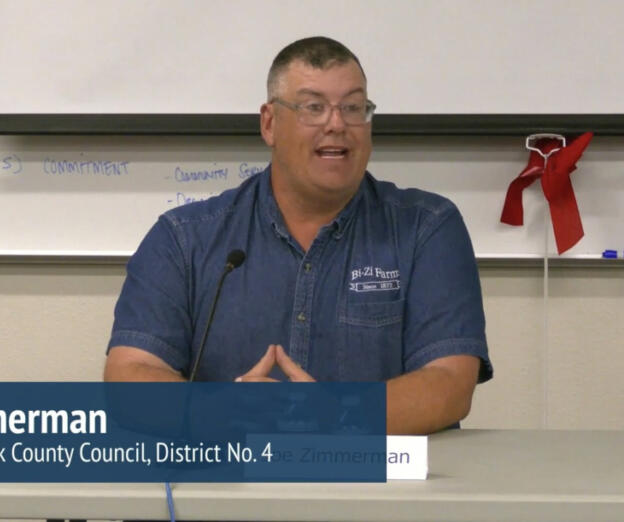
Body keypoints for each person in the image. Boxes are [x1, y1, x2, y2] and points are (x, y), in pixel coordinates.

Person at [105, 36, 492, 434]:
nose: (337, 124)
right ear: (270, 124)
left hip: (375, 473)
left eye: (353, 107)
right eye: (313, 107)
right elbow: (128, 378)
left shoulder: (425, 228)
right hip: (231, 469)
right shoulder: (185, 239)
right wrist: (220, 409)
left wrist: (335, 414)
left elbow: (449, 385)